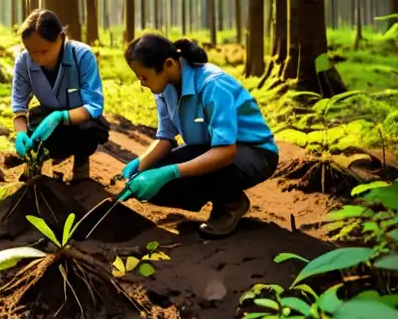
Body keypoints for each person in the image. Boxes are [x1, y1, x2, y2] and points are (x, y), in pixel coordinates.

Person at [119, 33, 279, 237]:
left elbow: (226, 152)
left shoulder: (213, 85)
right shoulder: (163, 88)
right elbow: (166, 137)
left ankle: (230, 204)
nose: (141, 82)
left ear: (168, 64)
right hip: (209, 148)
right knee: (154, 183)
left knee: (208, 171)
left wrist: (169, 173)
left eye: (144, 76)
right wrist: (140, 166)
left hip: (253, 152)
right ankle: (219, 194)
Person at [11, 9, 109, 182]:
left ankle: (81, 164)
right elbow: (19, 106)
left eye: (44, 51)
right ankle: (34, 164)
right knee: (33, 122)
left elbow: (93, 105)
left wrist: (60, 116)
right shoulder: (24, 62)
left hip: (80, 120)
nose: (38, 58)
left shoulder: (82, 55)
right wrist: (20, 134)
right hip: (47, 118)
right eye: (32, 51)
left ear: (60, 38)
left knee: (91, 128)